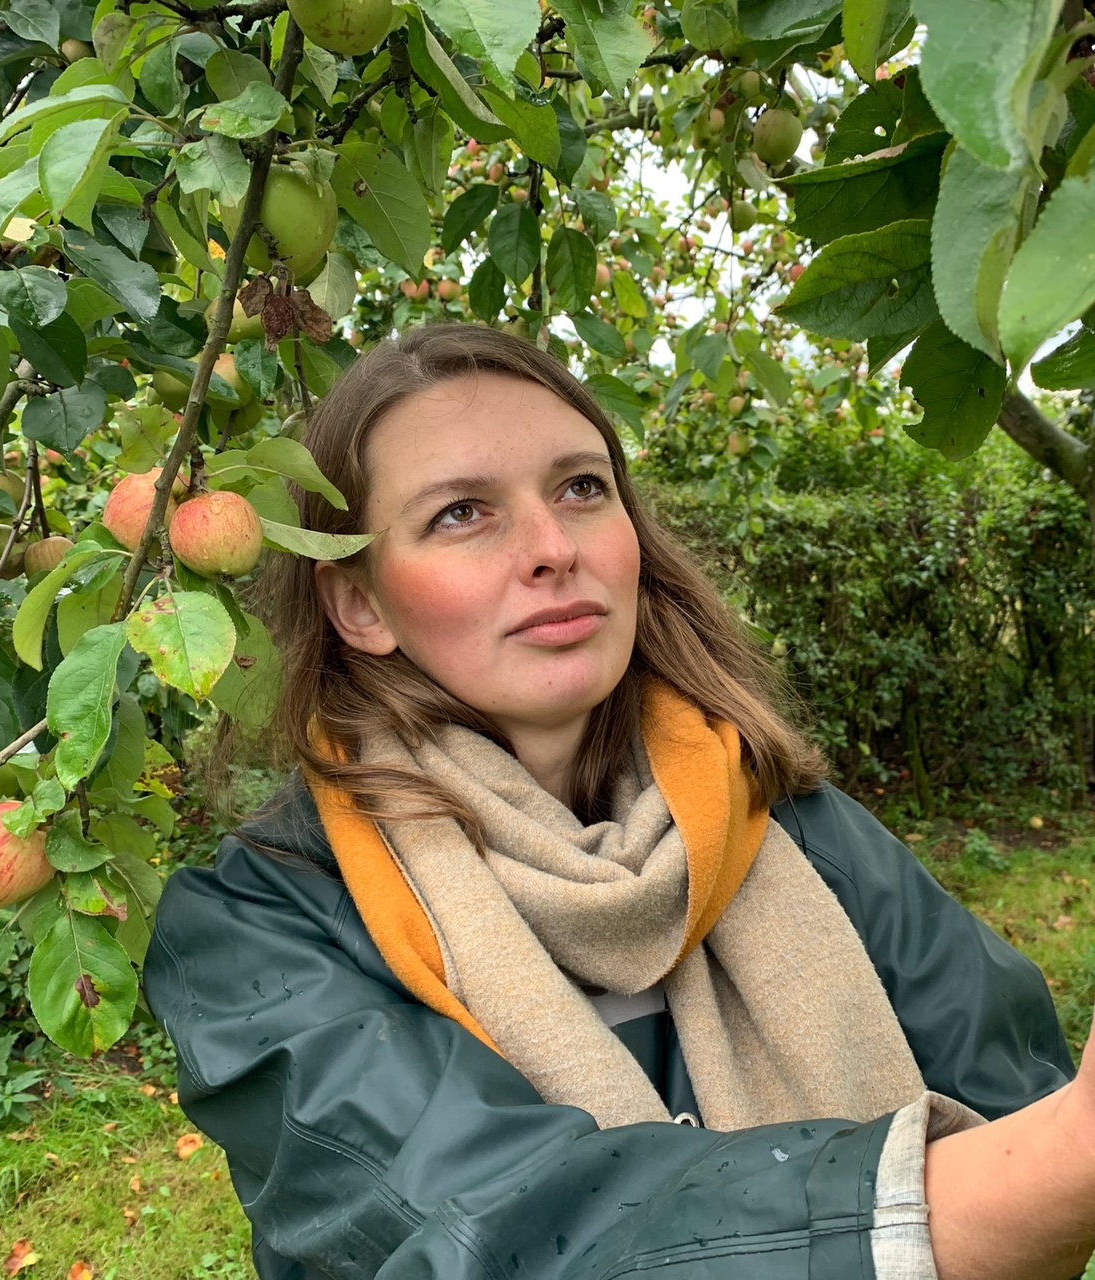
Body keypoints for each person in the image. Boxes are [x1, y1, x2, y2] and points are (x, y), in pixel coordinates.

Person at [143, 323, 1094, 1280]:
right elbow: (499, 1235)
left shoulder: (793, 823)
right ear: (360, 606)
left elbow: (1015, 1093)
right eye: (462, 513)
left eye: (582, 488)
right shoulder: (262, 923)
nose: (553, 547)